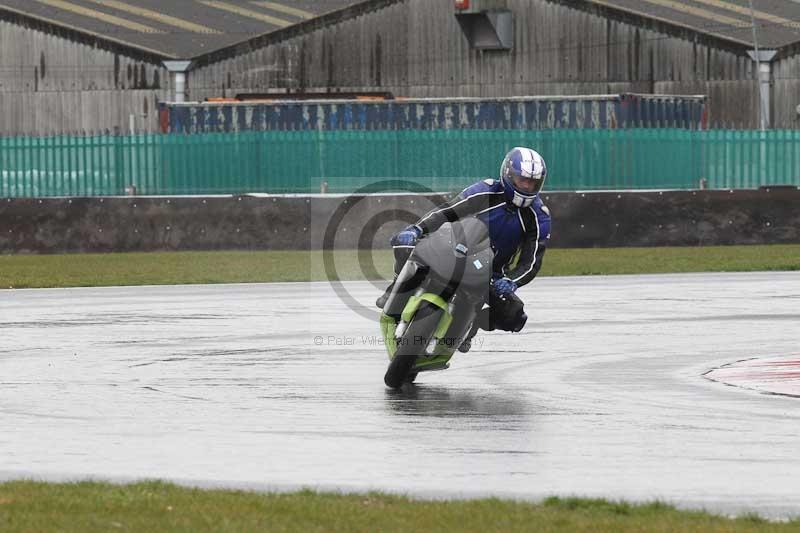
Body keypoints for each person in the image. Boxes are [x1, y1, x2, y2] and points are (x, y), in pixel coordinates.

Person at [377, 146, 552, 352]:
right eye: (522, 180)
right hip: (454, 249)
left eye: (533, 183)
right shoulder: (486, 190)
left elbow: (531, 261)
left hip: (490, 273)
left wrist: (510, 281)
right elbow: (448, 211)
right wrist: (417, 229)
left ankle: (473, 322)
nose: (527, 186)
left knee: (515, 315)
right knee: (405, 244)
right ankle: (396, 289)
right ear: (508, 175)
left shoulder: (540, 216)